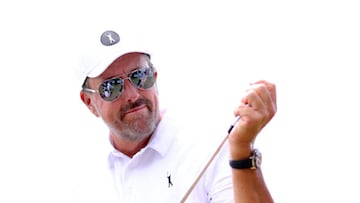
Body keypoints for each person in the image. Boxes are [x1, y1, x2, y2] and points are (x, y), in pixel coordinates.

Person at [74, 23, 277, 203]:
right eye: (111, 87)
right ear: (89, 102)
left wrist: (242, 150)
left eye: (140, 76)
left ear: (154, 77)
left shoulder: (212, 144)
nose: (133, 95)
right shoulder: (85, 177)